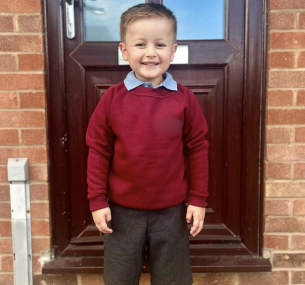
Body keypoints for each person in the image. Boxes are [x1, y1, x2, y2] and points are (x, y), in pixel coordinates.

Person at [86, 3, 209, 285]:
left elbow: (198, 148)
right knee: (119, 279)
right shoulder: (112, 99)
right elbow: (98, 150)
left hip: (172, 213)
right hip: (121, 212)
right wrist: (96, 199)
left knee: (174, 280)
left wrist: (198, 199)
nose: (151, 52)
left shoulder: (184, 99)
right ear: (124, 50)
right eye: (140, 44)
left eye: (160, 44)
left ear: (173, 50)